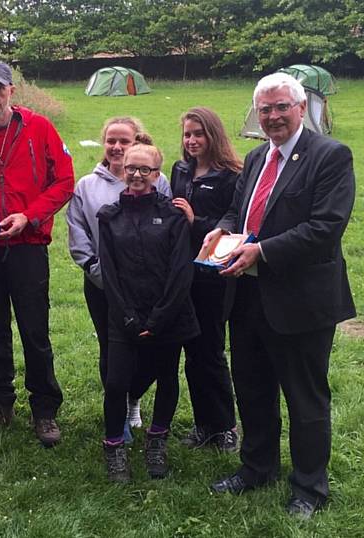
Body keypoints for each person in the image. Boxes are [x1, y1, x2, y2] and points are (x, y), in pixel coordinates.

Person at [205, 73, 355, 519]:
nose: (272, 117)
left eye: (281, 107)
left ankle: (310, 488)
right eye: (265, 109)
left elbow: (325, 227)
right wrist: (223, 230)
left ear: (301, 108)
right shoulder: (254, 158)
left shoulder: (330, 156)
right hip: (248, 295)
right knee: (252, 389)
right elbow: (239, 209)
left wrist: (261, 251)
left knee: (305, 398)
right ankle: (257, 468)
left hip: (301, 300)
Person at [0, 60, 74, 447]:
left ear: (11, 91)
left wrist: (31, 215)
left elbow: (64, 181)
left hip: (28, 245)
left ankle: (44, 408)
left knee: (34, 330)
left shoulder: (39, 129)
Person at [98, 140, 199, 482]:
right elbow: (108, 273)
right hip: (123, 317)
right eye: (131, 169)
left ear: (157, 173)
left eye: (145, 169)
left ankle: (157, 441)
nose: (137, 175)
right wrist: (127, 316)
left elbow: (180, 271)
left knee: (167, 377)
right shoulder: (109, 217)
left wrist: (159, 317)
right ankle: (114, 446)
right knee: (116, 383)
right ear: (122, 171)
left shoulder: (173, 216)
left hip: (167, 316)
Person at [67, 117, 171, 388]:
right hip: (102, 284)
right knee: (111, 347)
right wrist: (96, 271)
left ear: (136, 142)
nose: (116, 146)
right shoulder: (87, 185)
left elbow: (169, 227)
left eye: (124, 141)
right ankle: (118, 407)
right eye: (110, 140)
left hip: (147, 285)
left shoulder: (159, 182)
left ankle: (134, 395)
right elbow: (78, 232)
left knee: (147, 347)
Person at [170, 107, 242, 452]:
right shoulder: (180, 170)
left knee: (211, 350)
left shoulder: (231, 175)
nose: (192, 140)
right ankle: (203, 425)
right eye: (187, 134)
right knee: (191, 350)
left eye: (198, 133)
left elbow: (232, 223)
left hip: (215, 276)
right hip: (184, 274)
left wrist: (194, 220)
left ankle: (226, 426)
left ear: (213, 135)